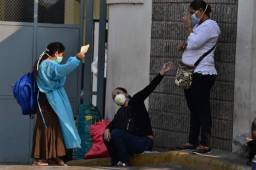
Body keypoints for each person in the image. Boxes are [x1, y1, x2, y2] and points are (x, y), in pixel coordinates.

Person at [103, 63, 173, 166]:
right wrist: (107, 129)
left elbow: (149, 89)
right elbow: (113, 124)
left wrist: (161, 73)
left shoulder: (136, 101)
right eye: (114, 97)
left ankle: (125, 163)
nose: (116, 97)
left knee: (117, 133)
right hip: (132, 141)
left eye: (118, 93)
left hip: (144, 141)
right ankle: (116, 163)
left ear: (125, 93)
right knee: (106, 135)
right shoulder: (121, 112)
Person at [31, 42, 89, 166]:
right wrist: (78, 57)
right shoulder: (47, 64)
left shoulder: (46, 63)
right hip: (46, 100)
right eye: (62, 54)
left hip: (50, 100)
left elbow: (60, 71)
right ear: (56, 53)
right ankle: (40, 158)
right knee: (46, 126)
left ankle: (53, 156)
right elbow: (61, 70)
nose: (61, 57)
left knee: (56, 126)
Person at [177, 0, 220, 153]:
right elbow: (192, 43)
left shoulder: (211, 26)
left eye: (191, 12)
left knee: (202, 107)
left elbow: (195, 43)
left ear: (200, 11)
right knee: (193, 107)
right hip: (188, 71)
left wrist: (188, 27)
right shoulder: (198, 26)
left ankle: (205, 142)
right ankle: (192, 140)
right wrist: (184, 44)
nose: (189, 15)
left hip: (203, 72)